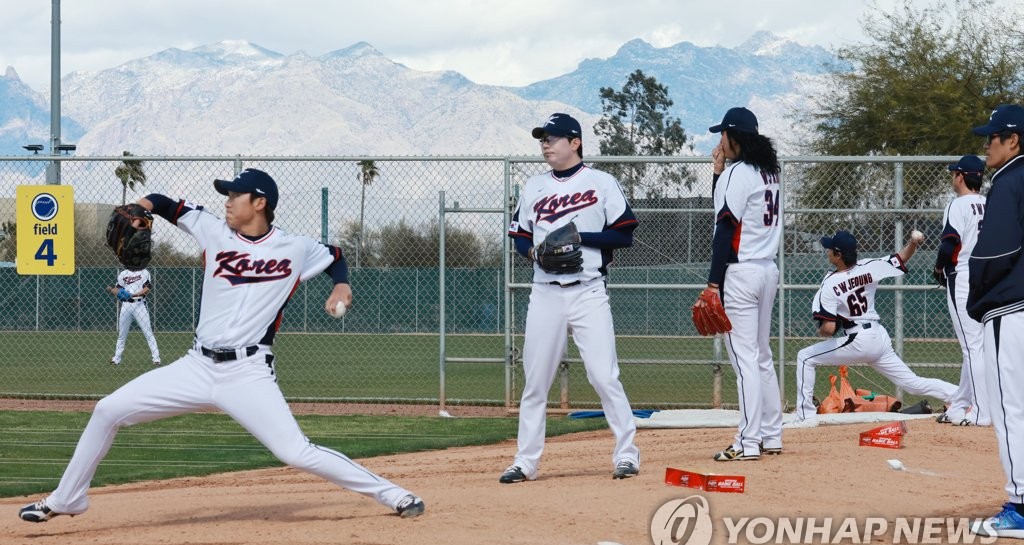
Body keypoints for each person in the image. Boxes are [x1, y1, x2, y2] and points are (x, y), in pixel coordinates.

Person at [19, 168, 424, 523]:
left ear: (260, 203)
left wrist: (342, 283)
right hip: (196, 367)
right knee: (107, 410)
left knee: (295, 452)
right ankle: (67, 499)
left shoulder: (295, 249)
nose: (227, 202)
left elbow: (335, 254)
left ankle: (393, 494)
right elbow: (162, 202)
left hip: (248, 373)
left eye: (234, 195)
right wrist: (139, 207)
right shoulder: (212, 229)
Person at [502, 112, 641, 483]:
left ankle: (627, 454)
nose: (545, 144)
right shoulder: (534, 187)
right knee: (535, 381)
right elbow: (519, 235)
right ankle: (525, 462)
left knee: (604, 376)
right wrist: (532, 253)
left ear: (575, 142)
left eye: (552, 137)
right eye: (542, 139)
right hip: (545, 293)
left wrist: (581, 237)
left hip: (588, 291)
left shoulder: (601, 182)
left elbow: (624, 234)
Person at [794, 230, 957, 423]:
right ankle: (960, 396)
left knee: (805, 357)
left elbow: (828, 329)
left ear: (838, 255)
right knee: (912, 383)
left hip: (858, 340)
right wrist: (913, 242)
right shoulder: (869, 266)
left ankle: (805, 416)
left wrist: (821, 330)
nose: (827, 252)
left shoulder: (829, 284)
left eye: (830, 250)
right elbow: (902, 257)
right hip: (878, 337)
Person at [701, 107, 783, 461]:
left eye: (723, 135)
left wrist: (712, 284)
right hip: (767, 270)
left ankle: (747, 442)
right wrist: (719, 173)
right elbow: (729, 210)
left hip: (741, 275)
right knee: (761, 356)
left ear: (736, 137)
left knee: (744, 359)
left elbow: (724, 229)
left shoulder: (739, 174)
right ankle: (771, 435)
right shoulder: (770, 172)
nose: (720, 141)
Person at [966, 103, 1024, 538]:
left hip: (1011, 309)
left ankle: (1020, 507)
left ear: (1014, 140)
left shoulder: (1008, 180)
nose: (987, 144)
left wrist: (977, 299)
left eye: (993, 137)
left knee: (1010, 409)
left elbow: (993, 254)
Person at [933, 155, 988, 426]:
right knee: (976, 344)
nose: (952, 177)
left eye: (955, 173)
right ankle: (961, 405)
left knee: (972, 346)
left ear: (961, 177)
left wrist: (938, 268)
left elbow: (948, 245)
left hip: (963, 275)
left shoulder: (958, 204)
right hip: (987, 276)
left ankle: (981, 410)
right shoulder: (988, 203)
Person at [106, 266, 161, 366]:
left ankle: (156, 358)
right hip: (126, 305)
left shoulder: (144, 272)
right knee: (122, 334)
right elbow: (118, 290)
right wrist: (111, 290)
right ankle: (116, 359)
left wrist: (134, 295)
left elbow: (147, 288)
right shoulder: (123, 273)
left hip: (140, 304)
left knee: (148, 333)